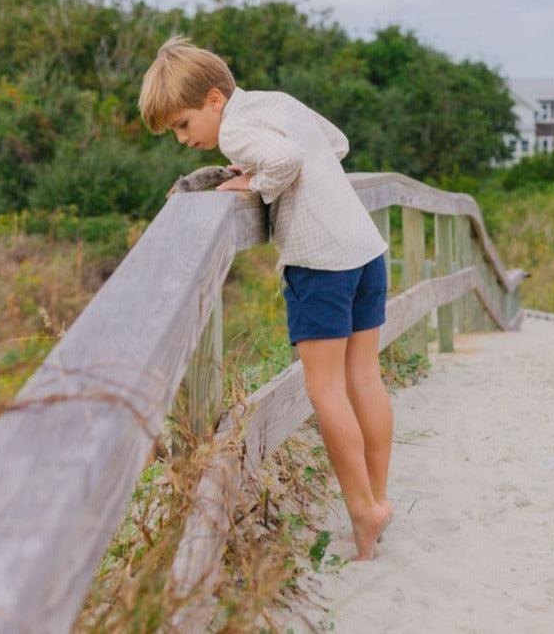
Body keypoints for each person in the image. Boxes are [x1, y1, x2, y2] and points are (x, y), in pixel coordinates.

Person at [138, 35, 393, 560]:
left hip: (321, 261)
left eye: (184, 125)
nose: (184, 141)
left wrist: (248, 181)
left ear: (214, 99)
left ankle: (362, 510)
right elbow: (336, 143)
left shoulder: (234, 128)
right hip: (366, 250)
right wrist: (258, 169)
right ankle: (380, 500)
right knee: (364, 376)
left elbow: (286, 160)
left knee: (325, 390)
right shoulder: (275, 102)